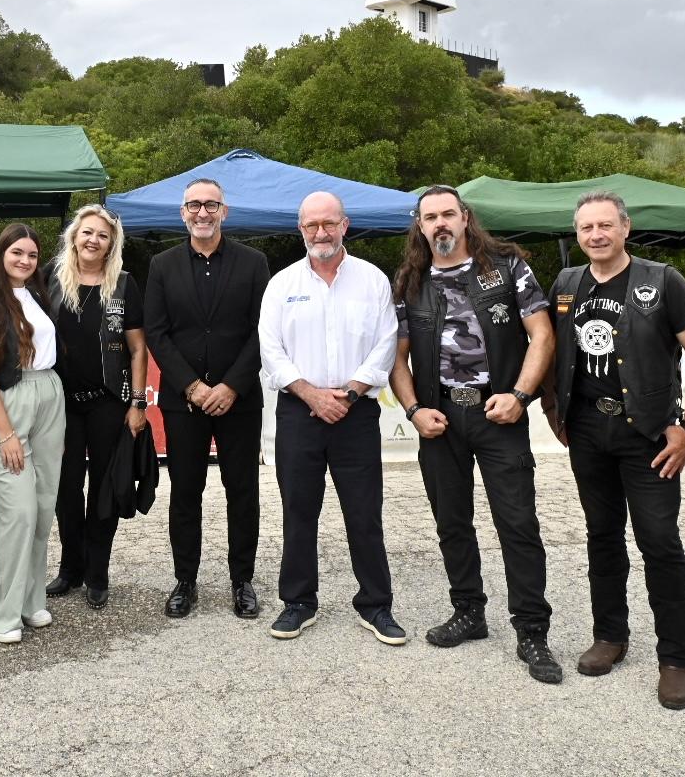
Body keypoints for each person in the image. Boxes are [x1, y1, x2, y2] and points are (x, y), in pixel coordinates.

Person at [540, 190, 685, 709]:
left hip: (650, 437)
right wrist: (554, 410)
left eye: (605, 226)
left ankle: (677, 659)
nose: (596, 235)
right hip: (589, 433)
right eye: (586, 228)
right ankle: (610, 635)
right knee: (602, 537)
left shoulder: (662, 280)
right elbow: (550, 348)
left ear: (625, 228)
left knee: (659, 541)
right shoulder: (566, 283)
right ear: (577, 234)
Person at [388, 185, 560, 682]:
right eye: (430, 217)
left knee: (519, 524)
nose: (440, 224)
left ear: (465, 218)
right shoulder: (409, 281)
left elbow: (542, 335)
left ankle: (532, 630)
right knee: (452, 523)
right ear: (419, 226)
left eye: (448, 214)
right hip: (440, 421)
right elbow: (397, 360)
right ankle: (469, 611)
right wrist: (415, 408)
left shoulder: (507, 267)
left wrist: (521, 396)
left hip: (499, 414)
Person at [258, 192, 403, 644]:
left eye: (328, 224)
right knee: (299, 512)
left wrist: (352, 390)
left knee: (364, 514)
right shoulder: (282, 283)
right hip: (299, 411)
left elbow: (387, 343)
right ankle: (299, 603)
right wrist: (309, 393)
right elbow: (269, 347)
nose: (320, 233)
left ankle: (375, 605)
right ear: (300, 230)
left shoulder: (373, 280)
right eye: (310, 226)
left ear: (345, 225)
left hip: (355, 412)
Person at [144, 177, 270, 619]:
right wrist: (193, 387)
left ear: (224, 211)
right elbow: (157, 334)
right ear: (182, 213)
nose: (202, 212)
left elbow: (263, 332)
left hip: (240, 398)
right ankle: (185, 580)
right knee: (186, 491)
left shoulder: (254, 263)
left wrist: (231, 385)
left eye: (211, 205)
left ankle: (243, 580)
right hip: (185, 402)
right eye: (194, 205)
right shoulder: (161, 265)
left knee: (242, 490)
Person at [0, 224, 66, 643]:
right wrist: (5, 432)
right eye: (17, 252)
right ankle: (4, 612)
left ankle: (30, 600)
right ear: (2, 252)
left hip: (48, 393)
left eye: (31, 254)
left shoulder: (37, 295)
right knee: (18, 511)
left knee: (43, 508)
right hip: (8, 399)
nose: (24, 260)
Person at [44, 205, 148, 610]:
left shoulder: (124, 284)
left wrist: (138, 403)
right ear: (74, 236)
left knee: (104, 488)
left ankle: (97, 571)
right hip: (60, 403)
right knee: (65, 489)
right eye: (87, 232)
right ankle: (70, 568)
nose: (93, 240)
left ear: (111, 244)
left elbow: (138, 349)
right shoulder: (50, 281)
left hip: (109, 403)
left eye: (102, 235)